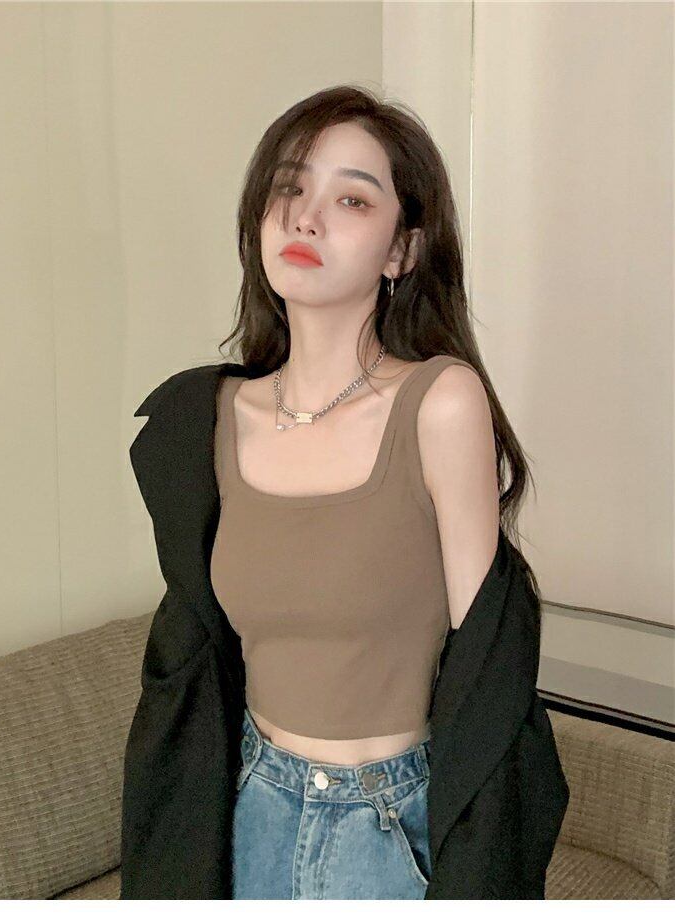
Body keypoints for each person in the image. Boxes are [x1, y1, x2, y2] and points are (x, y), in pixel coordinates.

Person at [120, 84, 568, 900]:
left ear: (402, 250)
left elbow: (491, 671)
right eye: (289, 187)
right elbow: (191, 666)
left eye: (351, 198)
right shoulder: (203, 420)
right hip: (248, 808)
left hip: (386, 829)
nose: (306, 216)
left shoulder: (440, 403)